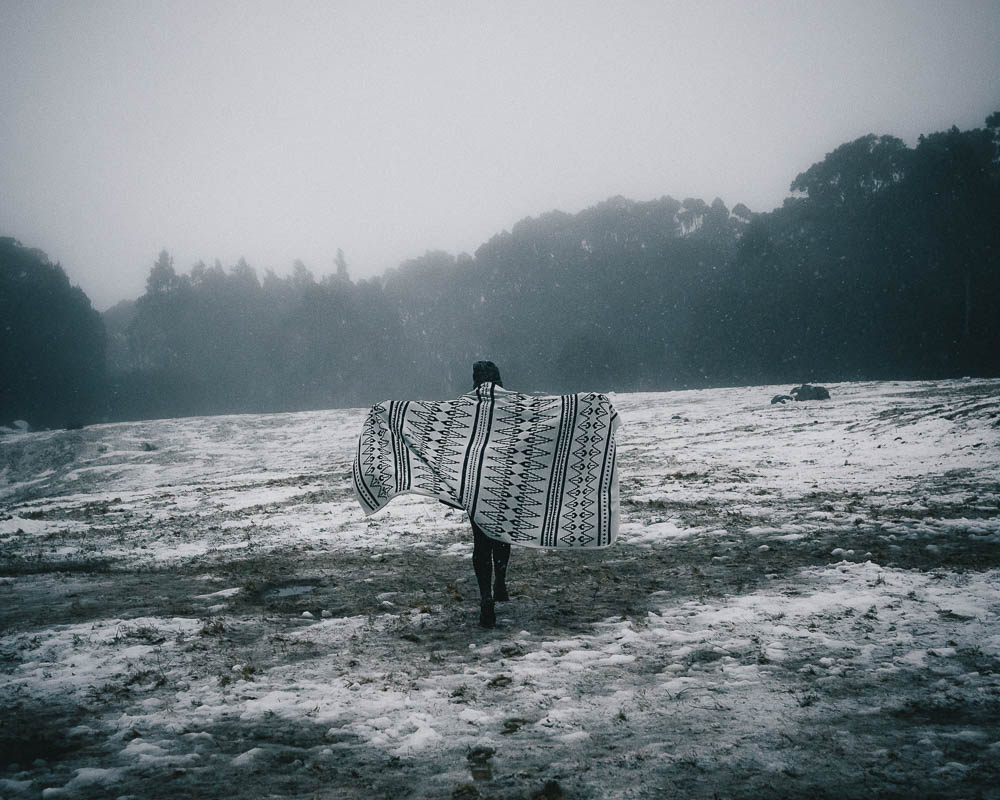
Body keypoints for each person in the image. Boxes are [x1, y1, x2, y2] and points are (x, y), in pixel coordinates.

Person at [471, 360, 511, 628]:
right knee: (503, 537)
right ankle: (500, 580)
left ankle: (486, 594)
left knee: (480, 541)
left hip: (478, 484)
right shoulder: (511, 407)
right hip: (505, 481)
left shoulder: (466, 408)